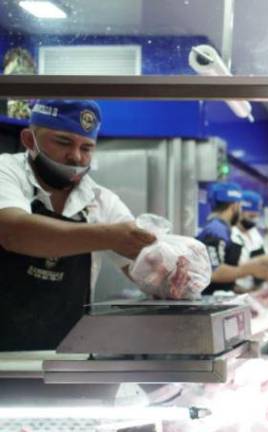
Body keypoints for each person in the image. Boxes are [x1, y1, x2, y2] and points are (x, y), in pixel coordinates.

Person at [0, 100, 157, 351]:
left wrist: (171, 268)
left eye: (86, 148)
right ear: (29, 140)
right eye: (63, 142)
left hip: (65, 357)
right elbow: (13, 231)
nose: (75, 156)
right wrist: (110, 236)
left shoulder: (100, 200)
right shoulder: (6, 171)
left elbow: (145, 266)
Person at [197, 182, 268, 294]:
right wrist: (251, 270)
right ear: (234, 206)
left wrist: (245, 292)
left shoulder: (223, 229)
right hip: (209, 299)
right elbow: (214, 272)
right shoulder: (216, 230)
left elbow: (224, 281)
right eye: (240, 207)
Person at [231, 189, 266, 292]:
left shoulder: (255, 234)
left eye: (256, 216)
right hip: (233, 293)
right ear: (240, 212)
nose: (254, 220)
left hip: (253, 293)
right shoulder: (230, 234)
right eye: (251, 216)